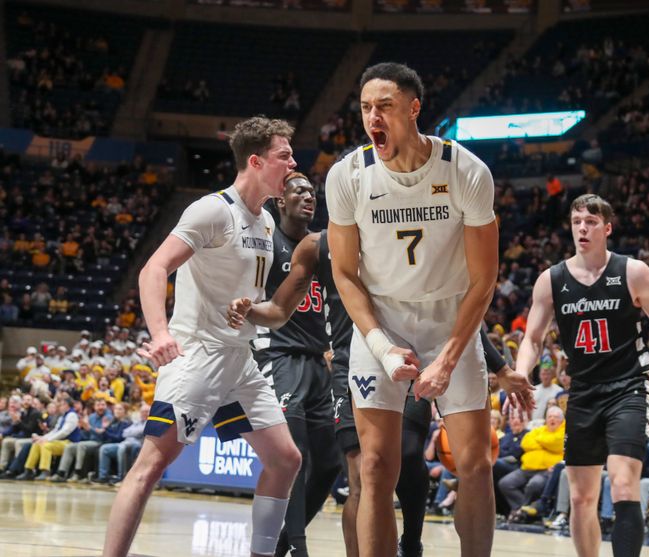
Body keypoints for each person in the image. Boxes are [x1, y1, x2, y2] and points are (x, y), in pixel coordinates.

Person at [325, 62, 533, 556]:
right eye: (365, 108)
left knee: (476, 465)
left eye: (385, 107)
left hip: (450, 319)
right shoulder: (347, 176)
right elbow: (345, 275)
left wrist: (447, 359)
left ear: (414, 109)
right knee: (375, 465)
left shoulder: (465, 171)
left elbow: (484, 280)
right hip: (381, 320)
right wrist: (381, 345)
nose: (373, 117)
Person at [229, 222, 515, 557]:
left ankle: (410, 542)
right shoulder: (316, 245)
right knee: (364, 475)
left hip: (411, 355)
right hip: (352, 363)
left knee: (409, 456)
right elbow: (279, 309)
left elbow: (452, 307)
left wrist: (501, 366)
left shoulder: (396, 224)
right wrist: (248, 310)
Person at [102, 116, 303, 557]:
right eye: (283, 155)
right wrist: (159, 333)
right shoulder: (212, 210)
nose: (293, 163)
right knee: (150, 466)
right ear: (256, 160)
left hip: (240, 359)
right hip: (198, 356)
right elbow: (154, 268)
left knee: (285, 459)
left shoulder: (267, 221)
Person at [515, 193, 649, 557]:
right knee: (581, 496)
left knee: (622, 486)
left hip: (628, 389)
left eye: (590, 222)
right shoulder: (551, 280)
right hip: (583, 392)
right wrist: (520, 374)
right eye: (576, 222)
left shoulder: (633, 271)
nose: (582, 229)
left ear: (607, 228)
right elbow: (533, 338)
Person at [250, 172, 340, 557]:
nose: (308, 195)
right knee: (295, 456)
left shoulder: (321, 247)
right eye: (298, 190)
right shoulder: (267, 243)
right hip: (278, 355)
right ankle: (299, 549)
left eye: (312, 191)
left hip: (318, 360)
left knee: (330, 464)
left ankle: (285, 542)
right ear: (279, 200)